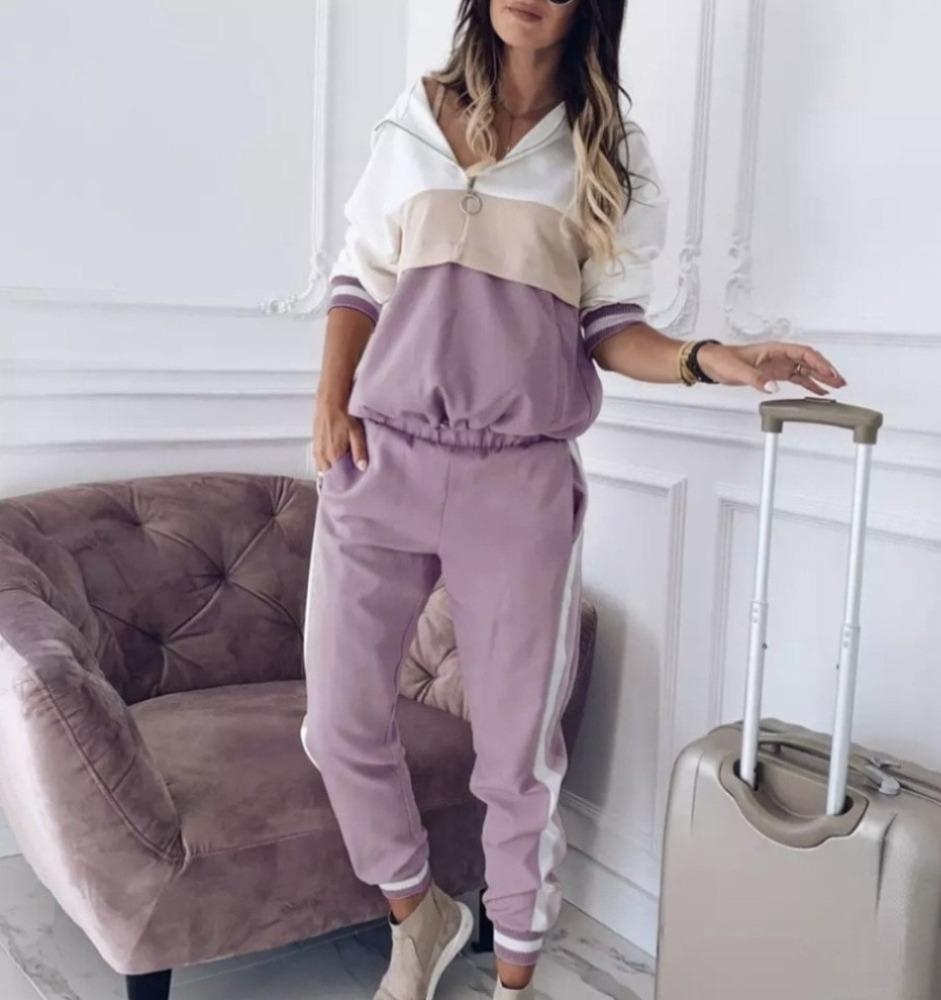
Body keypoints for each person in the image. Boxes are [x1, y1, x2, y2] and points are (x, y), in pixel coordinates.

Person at [300, 1, 846, 998]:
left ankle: (515, 977)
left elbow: (611, 327)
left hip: (517, 481)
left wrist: (706, 359)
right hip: (383, 460)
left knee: (515, 755)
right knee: (336, 723)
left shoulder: (609, 153)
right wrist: (331, 402)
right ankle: (419, 913)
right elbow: (359, 275)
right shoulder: (416, 116)